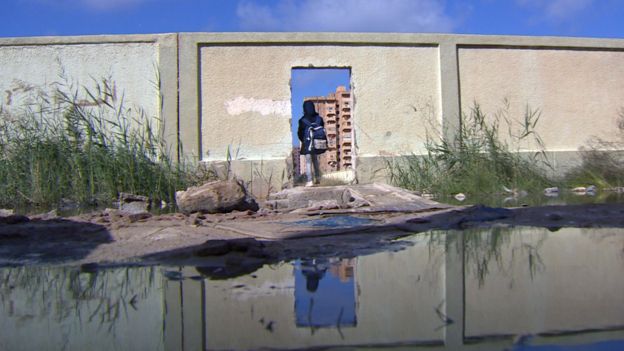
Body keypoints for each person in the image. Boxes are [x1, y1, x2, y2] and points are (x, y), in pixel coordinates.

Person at [297, 100, 324, 187]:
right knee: (315, 161)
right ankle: (318, 179)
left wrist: (303, 140)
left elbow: (299, 133)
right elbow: (322, 128)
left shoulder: (302, 120)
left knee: (308, 162)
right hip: (317, 143)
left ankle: (310, 181)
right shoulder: (319, 119)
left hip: (308, 143)